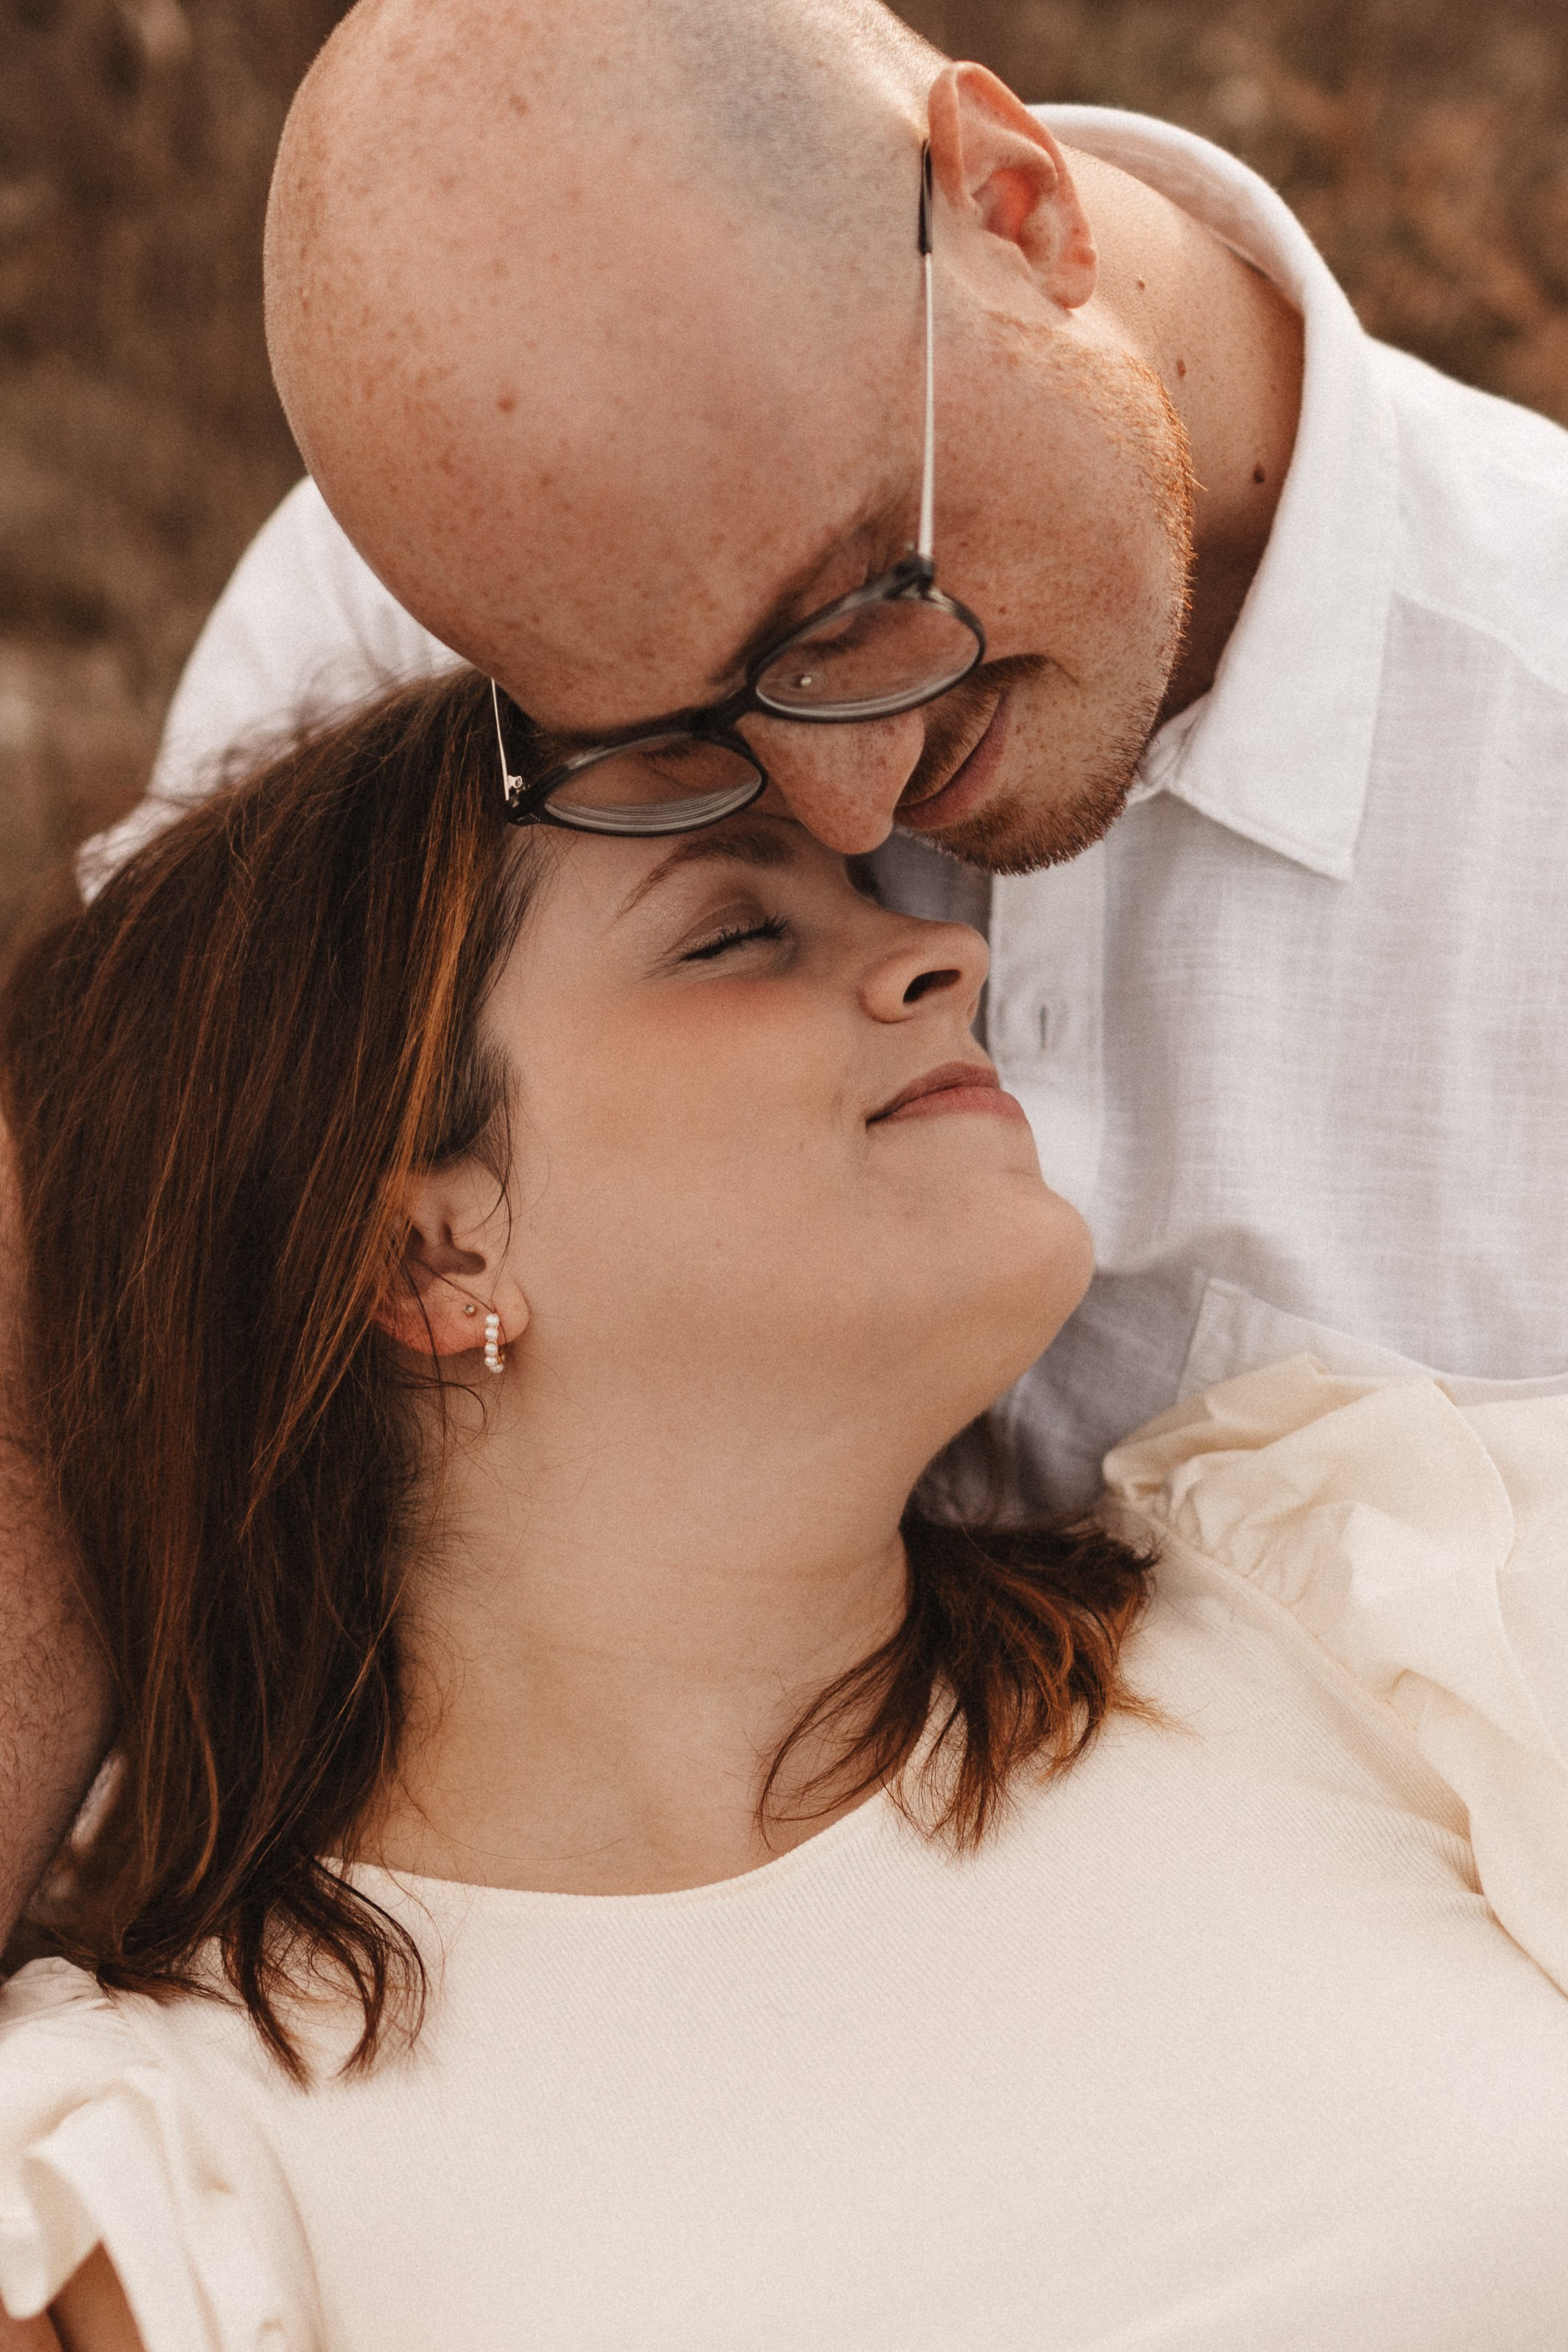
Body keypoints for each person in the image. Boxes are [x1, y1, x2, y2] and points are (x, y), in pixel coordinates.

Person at [4, 0, 1568, 1939]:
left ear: (1015, 206)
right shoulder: (456, 556)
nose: (843, 799)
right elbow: (80, 1345)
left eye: (855, 603)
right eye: (681, 742)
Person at [1, 665, 1568, 2352]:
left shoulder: (1372, 1598)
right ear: (429, 1251)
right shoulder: (159, 2177)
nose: (947, 953)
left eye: (869, 895)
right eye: (734, 932)